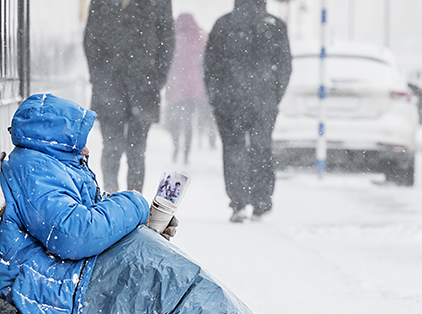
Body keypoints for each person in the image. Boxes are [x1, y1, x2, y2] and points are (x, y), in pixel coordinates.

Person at [0, 94, 276, 314]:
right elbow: (73, 235)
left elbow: (88, 212)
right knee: (162, 278)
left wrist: (141, 223)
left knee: (163, 272)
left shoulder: (50, 165)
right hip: (58, 287)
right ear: (54, 140)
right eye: (78, 142)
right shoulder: (34, 170)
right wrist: (135, 203)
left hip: (68, 274)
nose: (86, 150)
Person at [203, 0, 292, 223]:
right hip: (263, 99)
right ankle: (261, 203)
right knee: (261, 148)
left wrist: (215, 96)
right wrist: (273, 96)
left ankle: (239, 203)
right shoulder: (275, 26)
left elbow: (210, 65)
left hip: (228, 99)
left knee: (233, 149)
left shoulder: (224, 24)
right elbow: (284, 67)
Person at [83, 0, 175, 193]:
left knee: (136, 151)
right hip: (111, 84)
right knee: (113, 148)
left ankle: (133, 200)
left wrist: (157, 79)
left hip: (142, 86)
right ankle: (111, 197)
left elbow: (167, 41)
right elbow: (90, 39)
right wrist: (98, 76)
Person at [164, 12, 207, 165]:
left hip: (175, 86)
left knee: (174, 121)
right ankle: (186, 153)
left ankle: (176, 146)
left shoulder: (172, 38)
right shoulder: (198, 38)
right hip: (192, 89)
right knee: (188, 122)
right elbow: (206, 57)